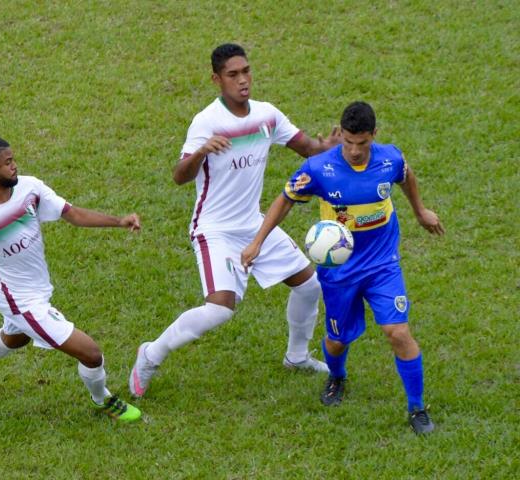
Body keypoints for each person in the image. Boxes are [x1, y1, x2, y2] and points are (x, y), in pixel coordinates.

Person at [129, 43, 341, 398]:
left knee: (310, 285)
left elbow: (305, 147)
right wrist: (200, 151)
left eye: (246, 71)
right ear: (216, 79)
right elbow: (180, 176)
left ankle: (297, 356)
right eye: (233, 75)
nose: (243, 80)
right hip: (214, 229)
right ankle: (150, 354)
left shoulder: (267, 115)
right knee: (219, 309)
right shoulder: (207, 121)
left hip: (253, 223)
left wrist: (327, 146)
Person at [241, 101, 444, 434]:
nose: (353, 150)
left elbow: (406, 176)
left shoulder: (389, 158)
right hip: (339, 272)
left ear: (373, 136)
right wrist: (257, 243)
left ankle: (417, 407)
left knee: (399, 333)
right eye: (348, 142)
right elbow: (285, 199)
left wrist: (420, 211)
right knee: (337, 342)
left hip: (382, 265)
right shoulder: (319, 169)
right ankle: (337, 377)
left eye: (361, 143)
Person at [0, 136, 142, 423]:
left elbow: (73, 214)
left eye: (13, 160)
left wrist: (118, 221)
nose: (15, 167)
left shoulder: (30, 189)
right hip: (20, 302)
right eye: (7, 163)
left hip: (38, 290)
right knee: (91, 353)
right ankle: (103, 399)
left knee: (15, 338)